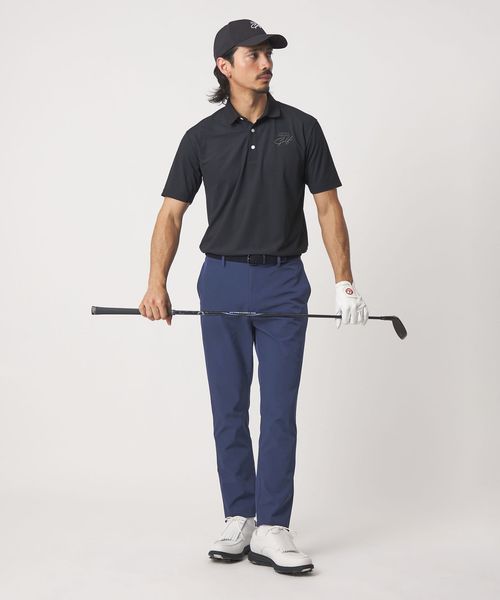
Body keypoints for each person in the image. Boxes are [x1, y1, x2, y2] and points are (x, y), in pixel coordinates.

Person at [139, 18, 369, 576]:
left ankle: (273, 527)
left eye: (269, 54)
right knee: (229, 407)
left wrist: (344, 282)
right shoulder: (200, 138)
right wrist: (155, 283)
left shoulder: (303, 128)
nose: (266, 63)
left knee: (280, 411)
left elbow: (328, 208)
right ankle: (239, 515)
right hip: (220, 279)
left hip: (283, 279)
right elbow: (171, 215)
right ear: (225, 66)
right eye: (253, 55)